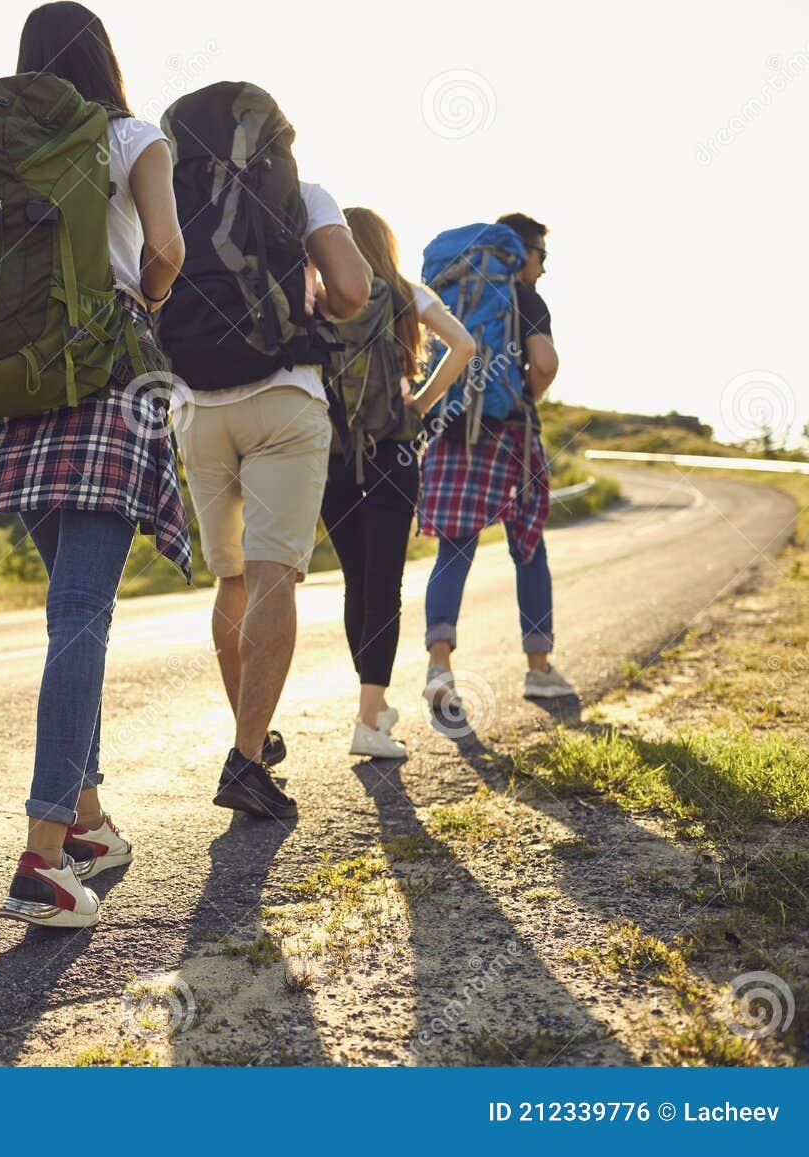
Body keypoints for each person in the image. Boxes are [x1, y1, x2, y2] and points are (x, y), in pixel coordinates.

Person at [0, 1, 188, 930]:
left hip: (12, 405)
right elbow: (166, 250)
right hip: (103, 386)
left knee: (71, 618)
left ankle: (91, 823)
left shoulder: (6, 145)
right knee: (81, 620)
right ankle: (40, 852)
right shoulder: (132, 135)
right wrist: (141, 298)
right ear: (105, 58)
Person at [173, 137, 372, 815]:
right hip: (284, 396)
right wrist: (315, 305)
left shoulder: (174, 197)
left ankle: (249, 745)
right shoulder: (301, 195)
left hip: (194, 404)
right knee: (272, 574)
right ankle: (248, 755)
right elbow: (353, 290)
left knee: (232, 577)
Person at [320, 207, 475, 759]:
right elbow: (464, 346)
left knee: (356, 581)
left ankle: (372, 709)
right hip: (393, 452)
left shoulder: (322, 294)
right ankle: (369, 718)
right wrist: (421, 403)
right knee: (385, 584)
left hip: (333, 456)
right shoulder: (408, 293)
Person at [420, 211, 576, 711]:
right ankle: (538, 670)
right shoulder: (525, 298)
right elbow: (546, 364)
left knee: (454, 552)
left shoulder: (450, 293)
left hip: (450, 430)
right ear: (521, 251)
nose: (544, 269)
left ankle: (440, 667)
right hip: (510, 434)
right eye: (542, 256)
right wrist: (518, 399)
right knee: (529, 552)